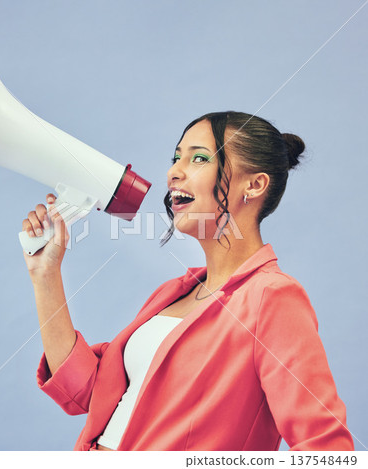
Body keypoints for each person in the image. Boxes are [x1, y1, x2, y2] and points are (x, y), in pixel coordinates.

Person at [22, 111, 354, 451]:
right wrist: (45, 274)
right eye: (176, 157)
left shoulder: (272, 297)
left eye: (199, 158)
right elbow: (88, 394)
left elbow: (324, 447)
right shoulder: (171, 294)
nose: (173, 172)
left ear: (254, 185)